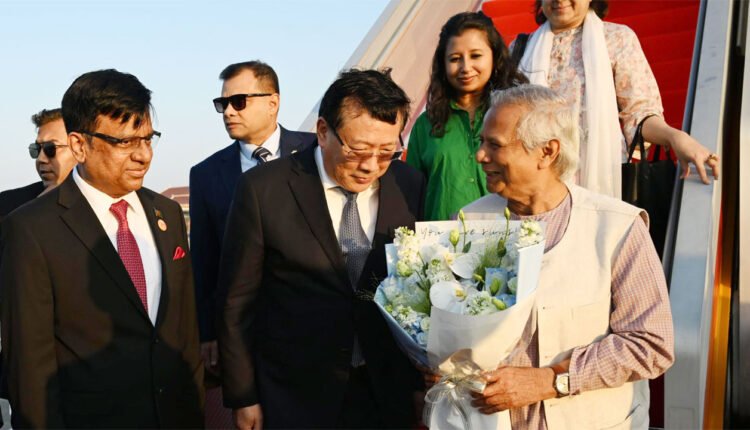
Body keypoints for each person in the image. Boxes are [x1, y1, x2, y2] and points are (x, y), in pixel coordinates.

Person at [456, 84, 674, 429]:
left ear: (547, 152)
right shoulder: (470, 222)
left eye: (494, 144)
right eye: (481, 142)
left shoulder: (617, 227)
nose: (480, 155)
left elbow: (651, 343)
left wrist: (551, 380)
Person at [218, 68, 425, 429]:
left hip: (384, 391)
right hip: (296, 393)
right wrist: (244, 396)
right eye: (358, 150)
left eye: (386, 152)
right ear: (323, 131)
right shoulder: (264, 189)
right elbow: (237, 302)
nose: (370, 166)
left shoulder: (408, 184)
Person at [0, 69, 203, 428]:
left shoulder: (167, 215)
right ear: (80, 145)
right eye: (125, 142)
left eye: (148, 139)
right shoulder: (31, 229)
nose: (143, 155)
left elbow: (184, 335)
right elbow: (30, 369)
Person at [189, 60, 314, 424]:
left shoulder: (315, 151)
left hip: (315, 327)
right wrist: (208, 332)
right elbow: (204, 261)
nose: (228, 111)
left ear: (273, 102)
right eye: (222, 103)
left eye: (239, 101)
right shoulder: (206, 174)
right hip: (247, 337)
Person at [514, 0, 719, 198]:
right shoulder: (520, 48)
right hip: (531, 184)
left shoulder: (616, 39)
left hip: (597, 182)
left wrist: (676, 137)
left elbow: (639, 114)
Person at [406, 11, 527, 221]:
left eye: (476, 56)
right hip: (443, 239)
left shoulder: (518, 114)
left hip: (508, 234)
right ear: (443, 64)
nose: (465, 67)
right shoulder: (425, 125)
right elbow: (411, 197)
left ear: (494, 56)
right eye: (455, 59)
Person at [0, 108, 76, 219]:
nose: (41, 159)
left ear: (80, 148)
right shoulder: (8, 205)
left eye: (50, 148)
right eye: (37, 148)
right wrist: (38, 208)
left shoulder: (101, 202)